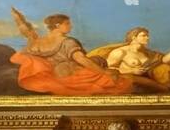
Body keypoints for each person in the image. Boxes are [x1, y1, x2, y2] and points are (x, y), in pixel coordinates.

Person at [9, 11, 137, 96]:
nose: (70, 26)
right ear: (58, 25)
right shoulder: (68, 42)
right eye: (67, 23)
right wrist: (104, 72)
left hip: (54, 76)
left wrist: (17, 17)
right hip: (72, 77)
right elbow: (82, 60)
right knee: (119, 79)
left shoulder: (36, 42)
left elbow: (25, 29)